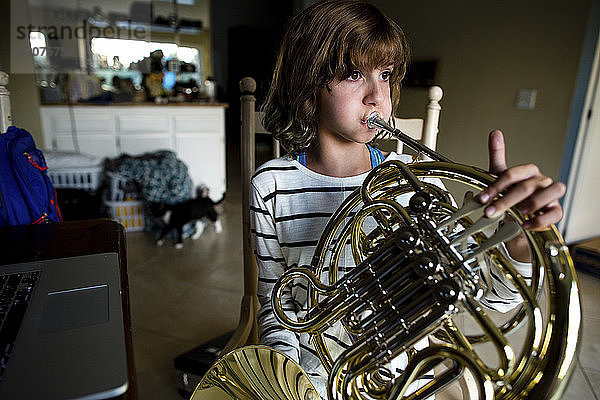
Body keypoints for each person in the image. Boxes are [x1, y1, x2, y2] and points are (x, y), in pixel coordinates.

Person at [250, 1, 566, 398]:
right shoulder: (271, 184)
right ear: (307, 83)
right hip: (312, 379)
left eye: (385, 75)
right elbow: (275, 302)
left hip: (405, 376)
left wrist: (515, 236)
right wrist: (291, 384)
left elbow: (493, 299)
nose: (377, 96)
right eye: (352, 75)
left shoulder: (413, 182)